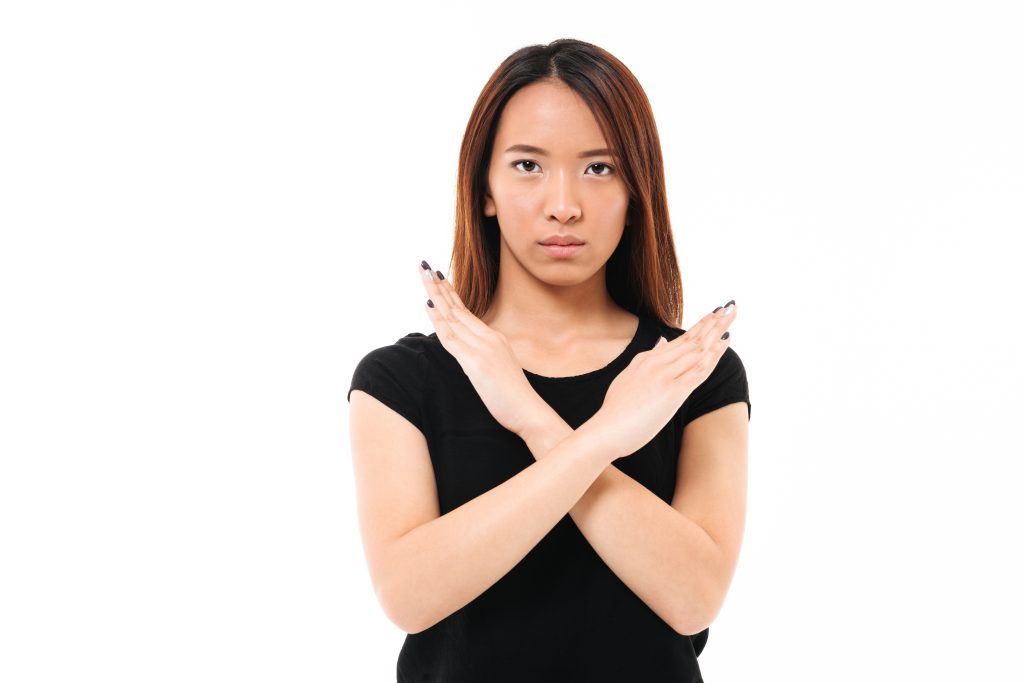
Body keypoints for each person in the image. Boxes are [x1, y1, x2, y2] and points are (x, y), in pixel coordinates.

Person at [348, 38, 751, 683]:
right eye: (528, 165)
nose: (564, 203)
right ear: (485, 187)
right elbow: (409, 596)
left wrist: (532, 416)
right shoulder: (399, 381)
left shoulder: (689, 372)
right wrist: (603, 437)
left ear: (636, 191)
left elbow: (694, 597)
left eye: (599, 169)